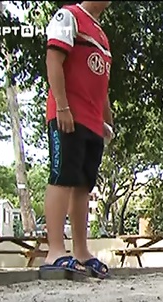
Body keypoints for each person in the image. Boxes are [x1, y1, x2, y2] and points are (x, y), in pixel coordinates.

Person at [40, 1, 114, 279]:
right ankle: (55, 251)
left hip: (93, 122)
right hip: (68, 114)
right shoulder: (69, 16)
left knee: (84, 184)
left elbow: (102, 83)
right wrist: (62, 106)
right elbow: (53, 59)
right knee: (63, 176)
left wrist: (107, 120)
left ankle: (81, 251)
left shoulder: (101, 34)